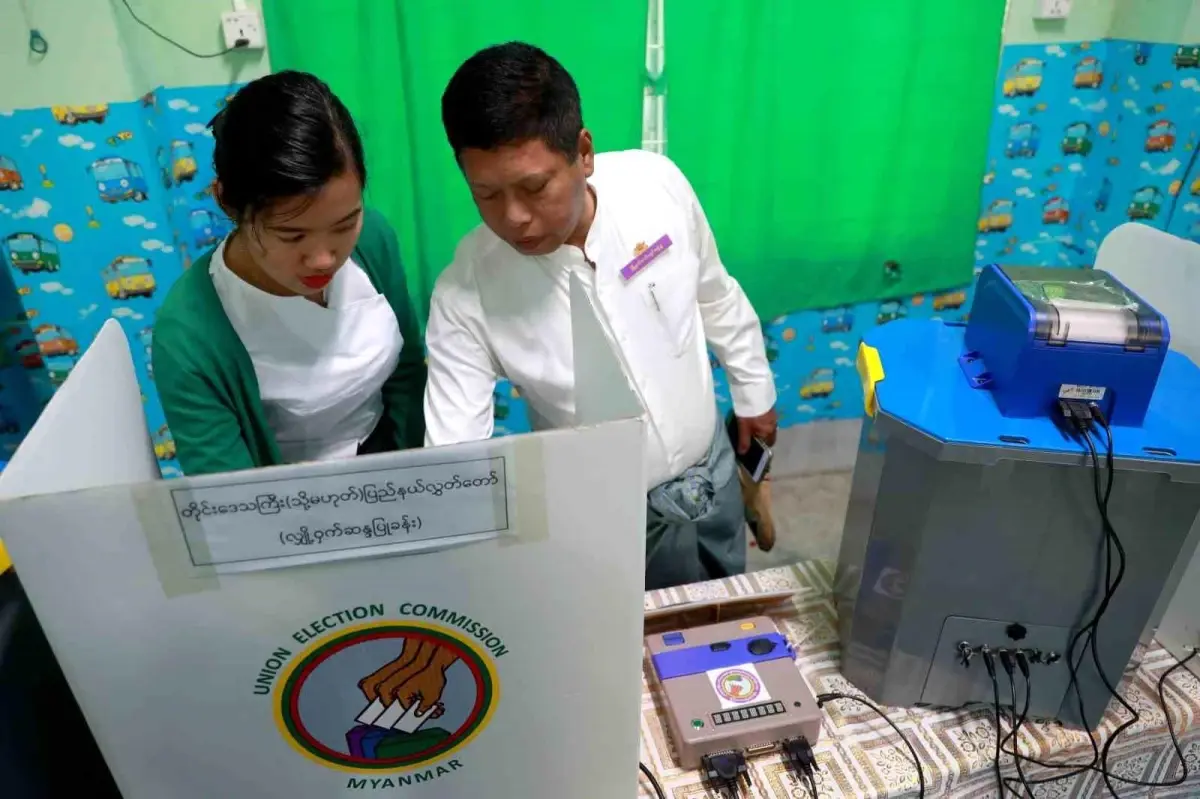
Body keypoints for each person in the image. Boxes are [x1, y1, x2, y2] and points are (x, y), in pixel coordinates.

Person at [425, 43, 777, 589]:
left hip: (712, 468)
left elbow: (715, 292)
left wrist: (753, 390)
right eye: (486, 194)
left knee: (723, 604)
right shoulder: (465, 291)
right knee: (624, 635)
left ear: (583, 153)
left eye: (535, 187)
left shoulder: (655, 187)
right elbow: (456, 459)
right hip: (601, 515)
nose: (514, 218)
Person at [154, 71, 426, 476]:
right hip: (280, 496)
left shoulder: (373, 240)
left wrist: (413, 478)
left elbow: (408, 373)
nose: (323, 259)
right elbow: (229, 493)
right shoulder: (188, 335)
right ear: (227, 203)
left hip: (389, 463)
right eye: (292, 235)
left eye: (344, 225)